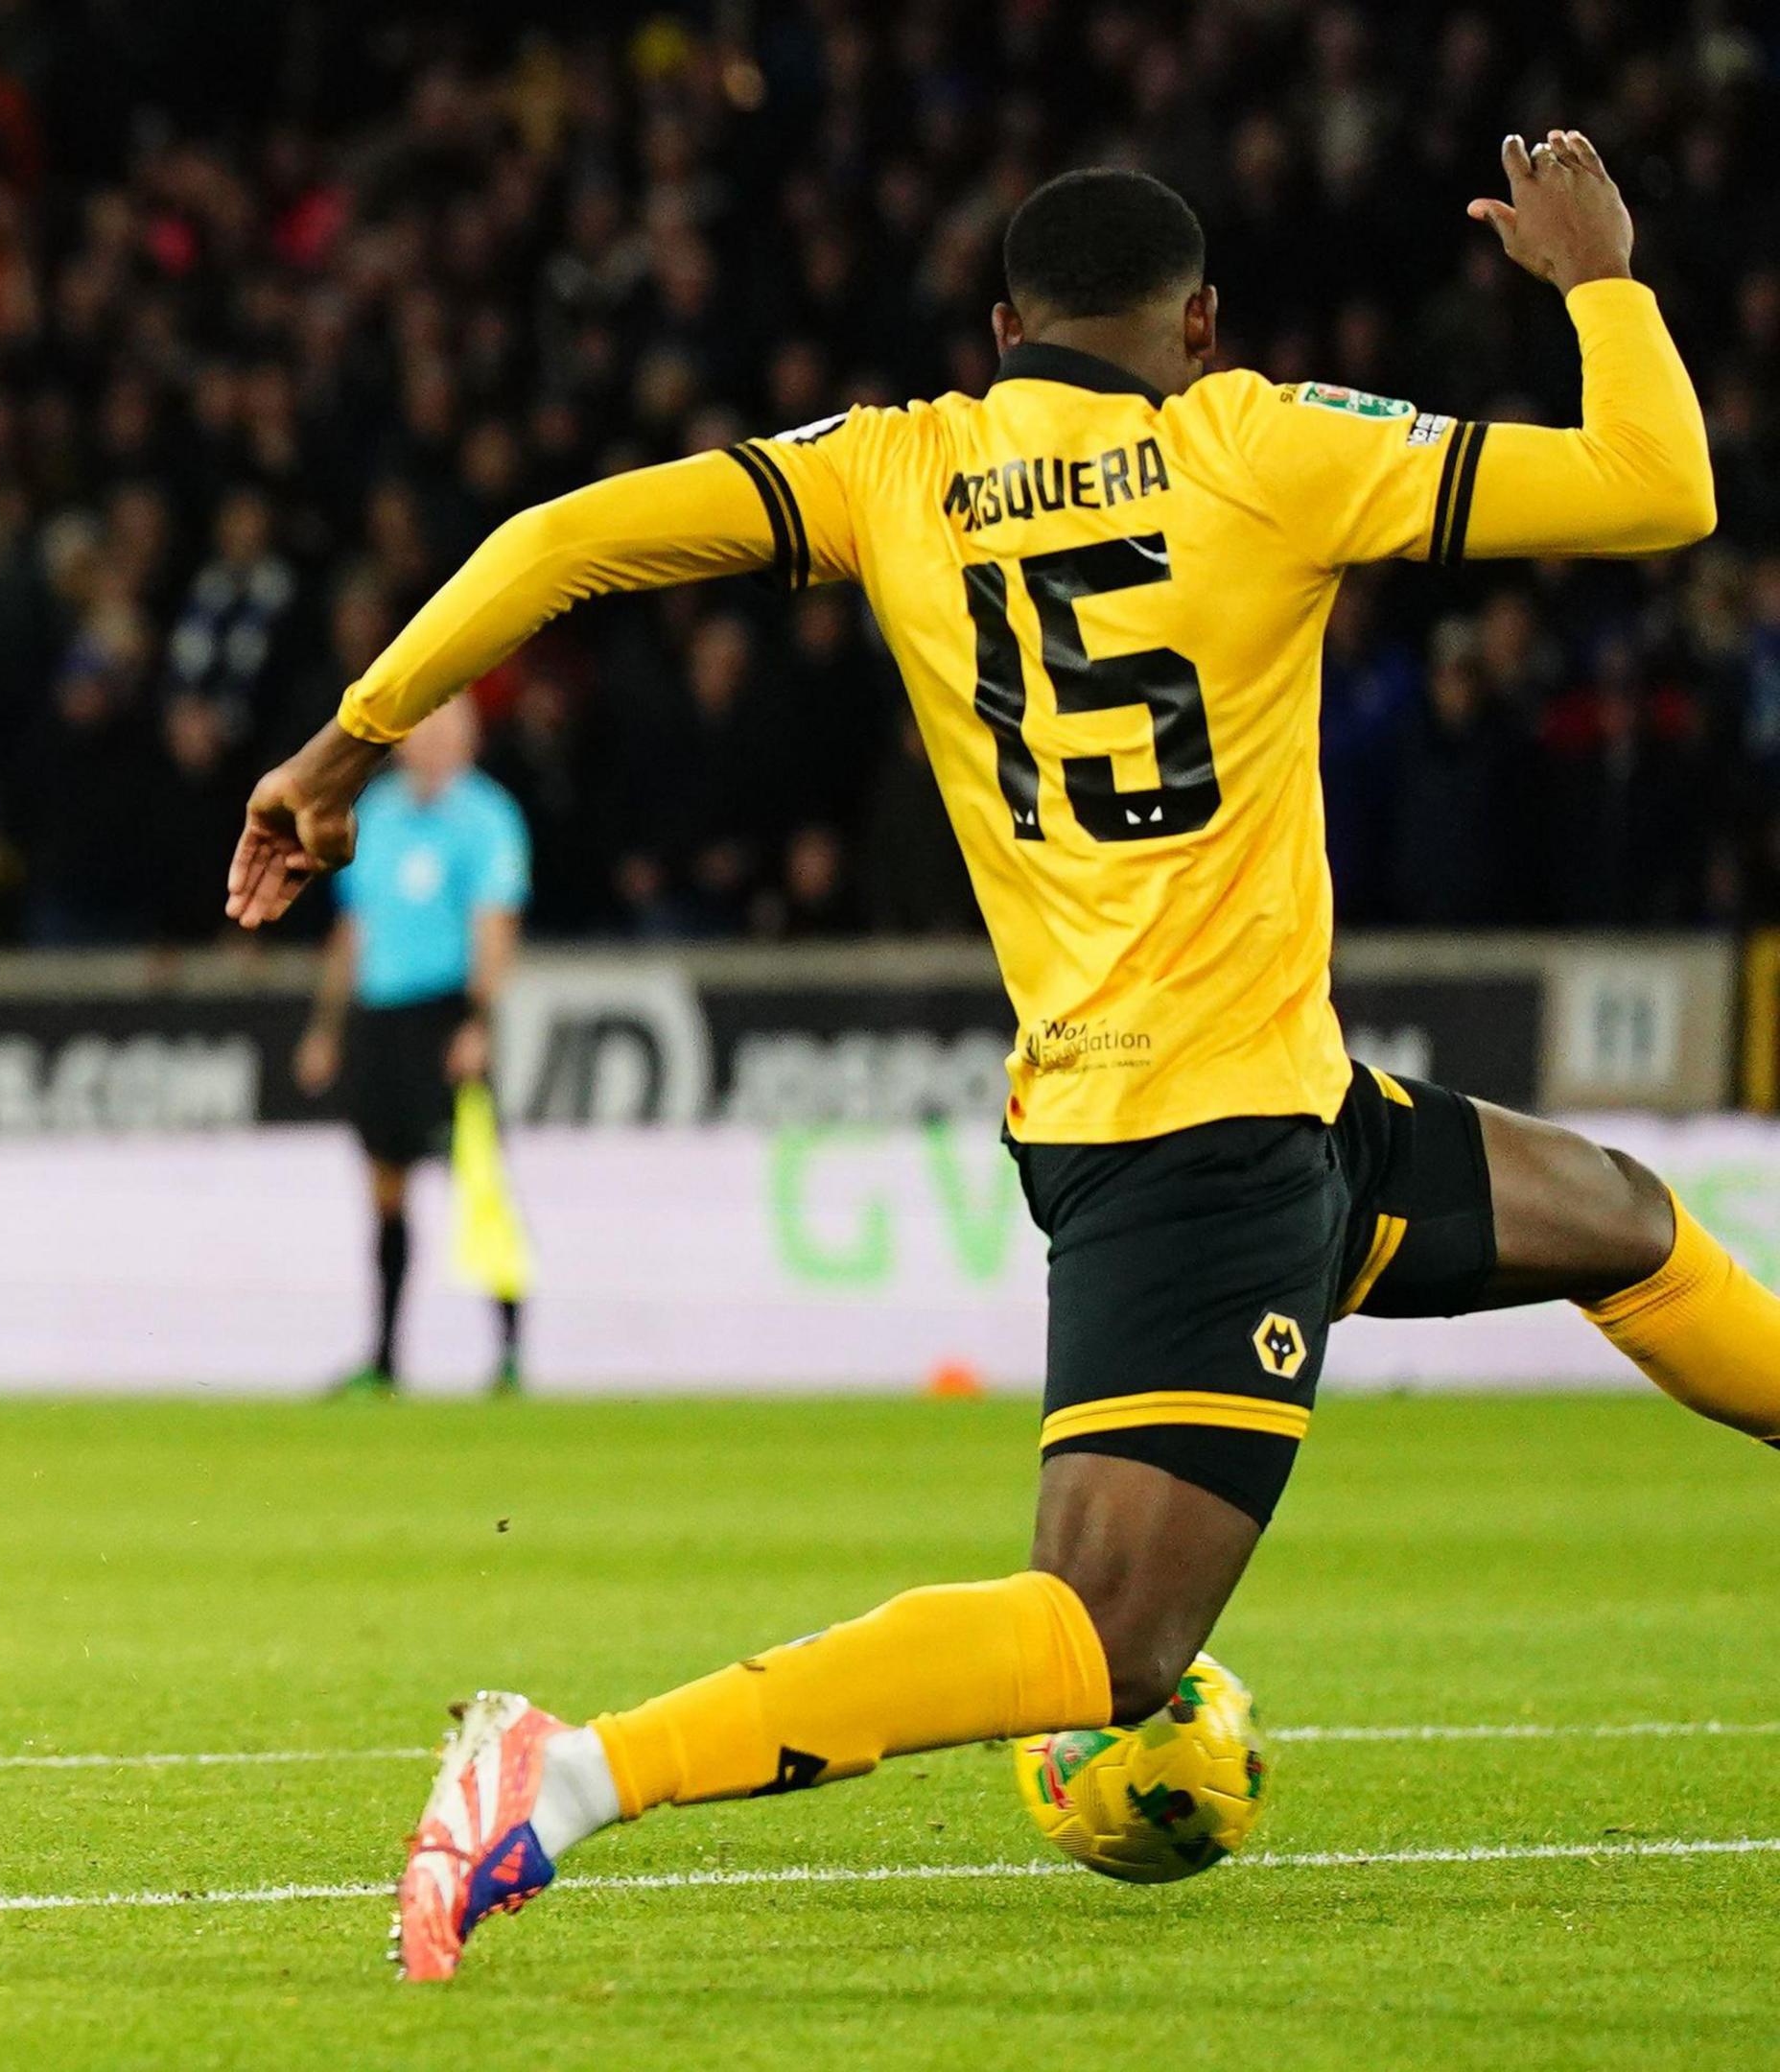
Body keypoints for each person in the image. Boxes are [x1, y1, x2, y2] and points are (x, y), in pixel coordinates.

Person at [226, 136, 1768, 1981]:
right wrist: (1602, 277)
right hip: (1204, 1144)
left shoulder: (901, 467)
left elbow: (560, 542)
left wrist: (349, 737)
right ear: (1199, 324)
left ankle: (580, 1773)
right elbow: (1658, 482)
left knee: (1618, 1218)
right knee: (1109, 1640)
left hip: (1248, 1105)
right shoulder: (1265, 443)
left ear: (998, 327)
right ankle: (572, 1775)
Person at [293, 690, 529, 1395]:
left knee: (478, 1186)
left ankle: (512, 1351)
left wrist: (478, 1022)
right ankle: (387, 1358)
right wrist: (328, 1028)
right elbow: (354, 930)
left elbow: (495, 929)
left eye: (452, 727)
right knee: (385, 1188)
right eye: (426, 728)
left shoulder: (488, 818)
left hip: (445, 1015)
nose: (437, 740)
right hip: (380, 1018)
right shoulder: (378, 817)